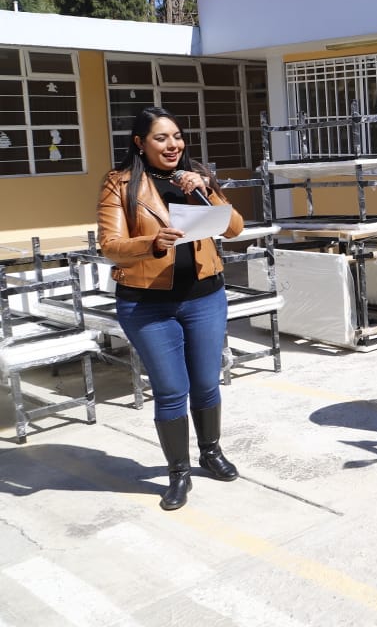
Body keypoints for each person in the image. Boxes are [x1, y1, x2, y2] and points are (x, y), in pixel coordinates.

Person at [97, 107, 245, 511]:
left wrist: (208, 190)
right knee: (170, 392)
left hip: (205, 298)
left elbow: (235, 228)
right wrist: (152, 243)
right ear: (140, 143)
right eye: (161, 138)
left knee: (207, 383)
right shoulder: (119, 183)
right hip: (147, 306)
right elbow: (109, 246)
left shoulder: (196, 178)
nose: (172, 145)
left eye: (176, 136)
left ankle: (210, 453)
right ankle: (178, 473)